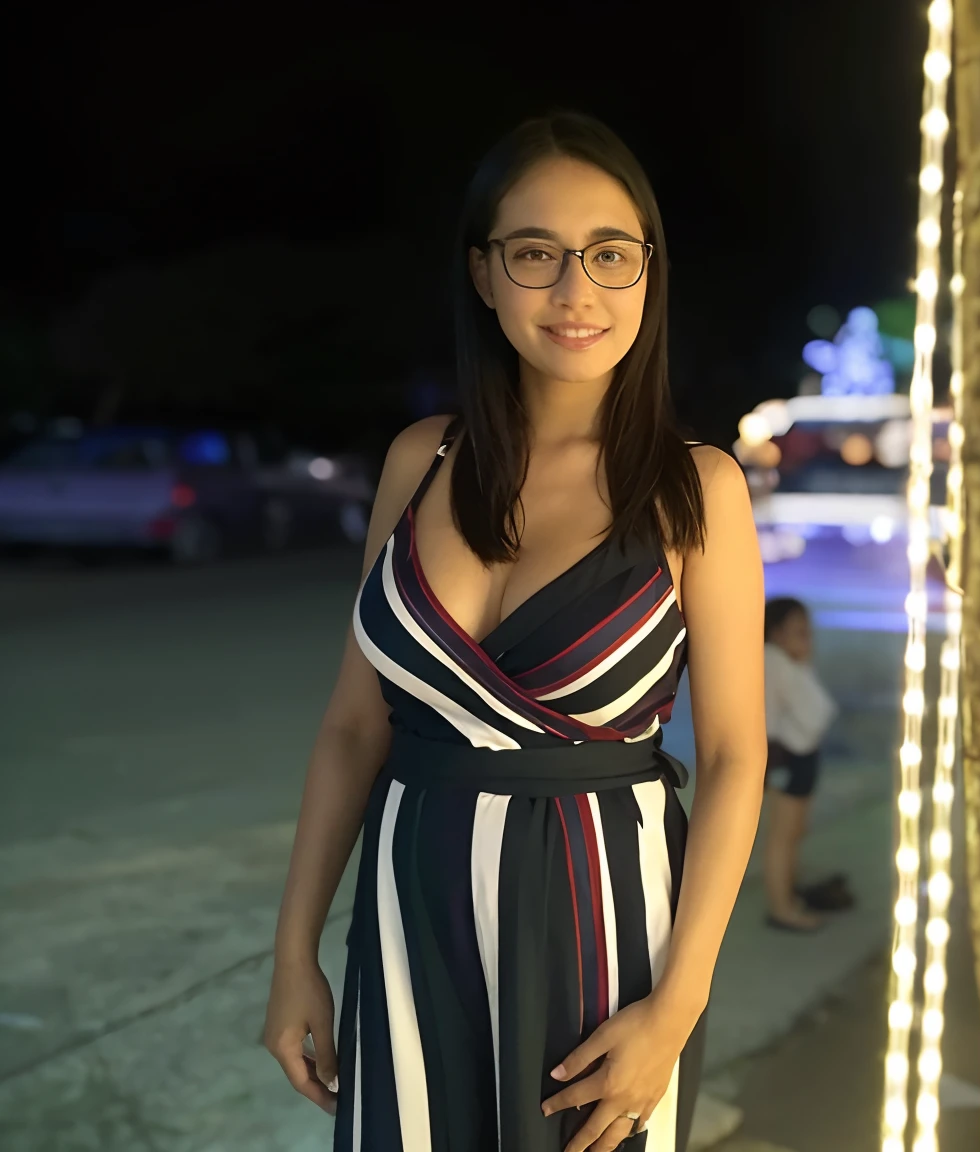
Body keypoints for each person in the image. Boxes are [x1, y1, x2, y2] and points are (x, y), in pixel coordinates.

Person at [262, 112, 766, 1152]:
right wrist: (294, 952)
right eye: (536, 254)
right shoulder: (420, 462)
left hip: (601, 927)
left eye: (609, 254)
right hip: (410, 920)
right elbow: (357, 729)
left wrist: (674, 1007)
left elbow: (732, 757)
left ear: (648, 276)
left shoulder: (695, 490)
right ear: (484, 276)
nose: (575, 290)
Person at [762, 597, 849, 931]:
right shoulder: (775, 661)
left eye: (806, 629)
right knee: (783, 836)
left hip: (798, 755)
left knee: (793, 832)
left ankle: (788, 895)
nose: (805, 635)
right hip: (787, 755)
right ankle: (782, 909)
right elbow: (817, 712)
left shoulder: (786, 661)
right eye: (797, 629)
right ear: (777, 631)